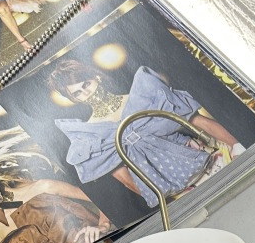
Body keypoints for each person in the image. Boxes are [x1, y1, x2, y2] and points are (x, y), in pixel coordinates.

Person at [51, 57, 243, 207]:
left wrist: (238, 147)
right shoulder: (93, 136)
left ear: (96, 77)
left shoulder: (142, 96)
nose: (86, 93)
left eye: (86, 84)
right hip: (182, 194)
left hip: (213, 162)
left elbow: (199, 121)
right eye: (77, 93)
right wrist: (170, 204)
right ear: (73, 100)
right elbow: (126, 179)